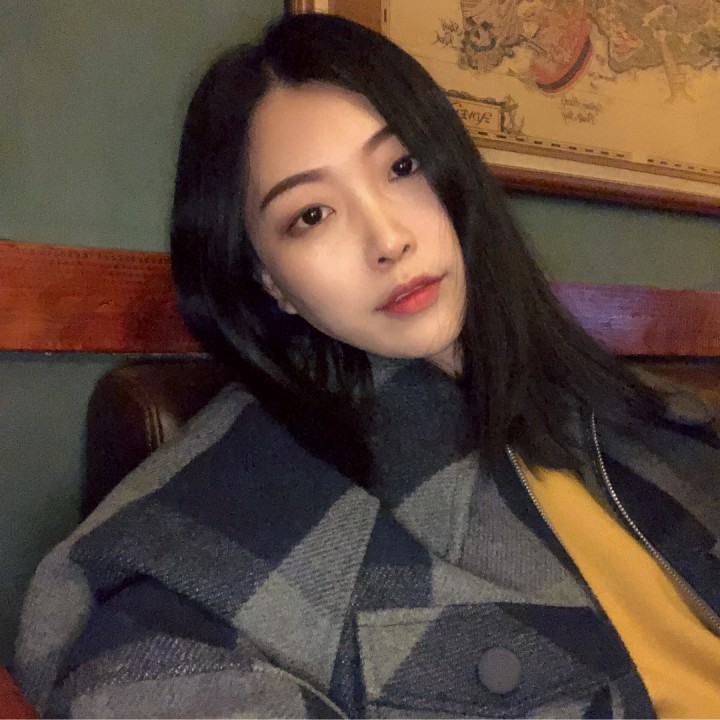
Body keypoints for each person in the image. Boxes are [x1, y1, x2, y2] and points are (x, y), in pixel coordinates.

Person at [13, 11, 720, 718]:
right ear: (269, 279)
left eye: (402, 166)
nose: (387, 239)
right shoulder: (228, 520)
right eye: (311, 215)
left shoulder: (643, 414)